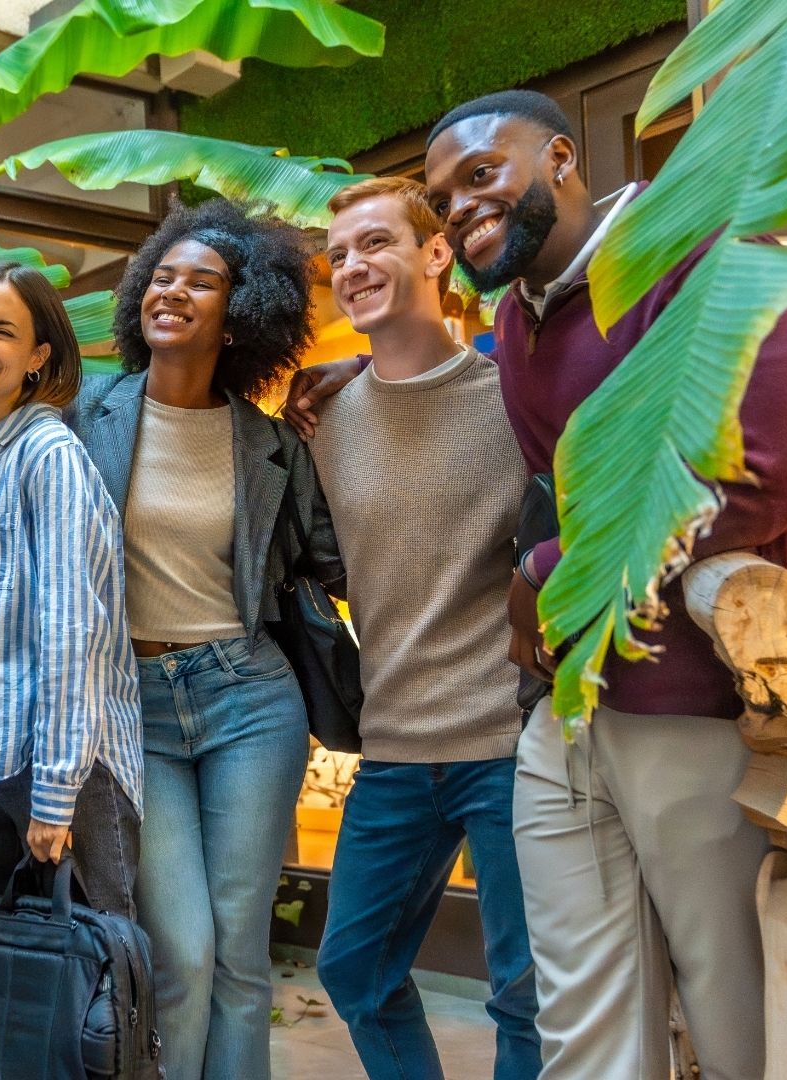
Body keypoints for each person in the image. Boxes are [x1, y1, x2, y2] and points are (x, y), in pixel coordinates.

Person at [288, 90, 787, 1080]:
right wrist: (348, 377)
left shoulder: (695, 249)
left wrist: (543, 570)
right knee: (579, 1015)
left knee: (724, 1002)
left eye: (482, 174)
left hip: (686, 698)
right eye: (446, 194)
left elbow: (763, 472)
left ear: (563, 158)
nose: (464, 205)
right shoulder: (520, 322)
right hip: (558, 716)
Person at [65, 198, 343, 1080]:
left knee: (240, 957)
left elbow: (336, 560)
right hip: (132, 704)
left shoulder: (270, 444)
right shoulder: (85, 414)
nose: (172, 290)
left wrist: (355, 397)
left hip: (247, 698)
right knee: (180, 950)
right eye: (162, 275)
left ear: (240, 314)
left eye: (202, 281)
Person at [305, 176, 540, 1080]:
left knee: (525, 989)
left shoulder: (511, 395)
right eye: (339, 256)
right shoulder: (324, 417)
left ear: (438, 253)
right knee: (353, 968)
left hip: (507, 741)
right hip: (396, 743)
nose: (353, 267)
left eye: (376, 244)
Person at [0, 262, 142, 916]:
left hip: (50, 770)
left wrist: (55, 791)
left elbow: (71, 627)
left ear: (37, 356)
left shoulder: (48, 454)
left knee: (90, 966)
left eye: (2, 331)